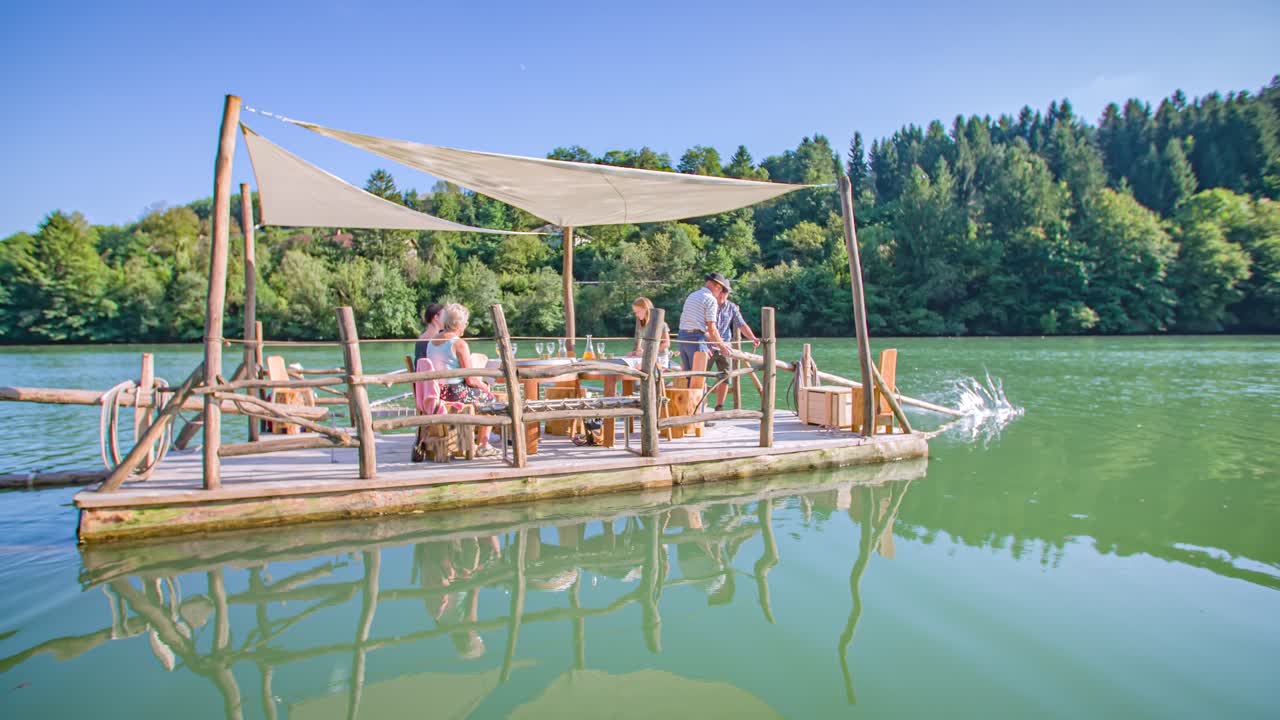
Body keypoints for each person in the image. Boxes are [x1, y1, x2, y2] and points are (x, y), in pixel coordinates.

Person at [424, 304, 499, 458]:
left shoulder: (431, 341)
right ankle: (483, 445)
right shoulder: (459, 344)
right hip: (454, 393)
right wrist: (484, 386)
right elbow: (470, 379)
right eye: (466, 322)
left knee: (482, 394)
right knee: (491, 399)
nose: (466, 325)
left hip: (437, 392)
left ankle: (473, 439)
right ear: (458, 324)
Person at [709, 282, 760, 413]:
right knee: (699, 376)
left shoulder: (732, 307)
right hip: (707, 345)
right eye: (721, 291)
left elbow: (742, 325)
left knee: (726, 376)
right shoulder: (708, 304)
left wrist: (753, 337)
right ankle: (700, 406)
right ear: (716, 291)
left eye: (725, 292)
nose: (723, 295)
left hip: (725, 346)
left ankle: (719, 407)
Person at [676, 273, 733, 372]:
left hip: (682, 337)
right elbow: (712, 328)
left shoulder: (692, 295)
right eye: (720, 289)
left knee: (688, 375)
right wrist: (723, 347)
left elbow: (691, 321)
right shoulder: (711, 300)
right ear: (716, 286)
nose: (720, 292)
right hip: (696, 339)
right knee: (699, 377)